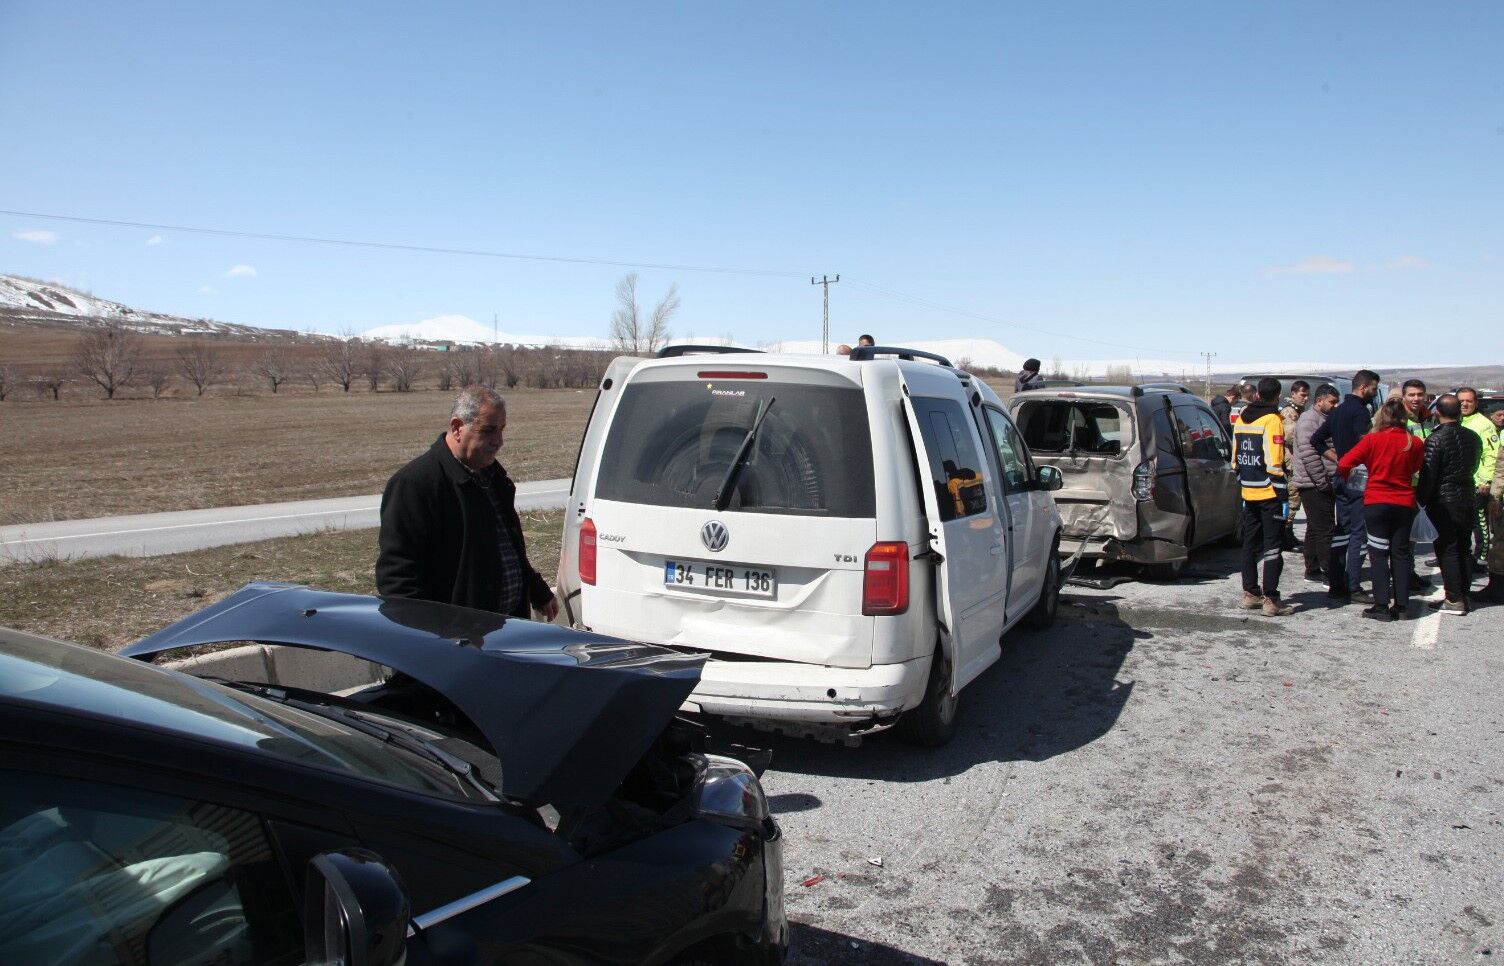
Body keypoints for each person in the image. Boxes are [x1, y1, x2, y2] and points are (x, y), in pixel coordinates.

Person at [377, 386, 560, 620]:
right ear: (457, 428)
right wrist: (431, 638)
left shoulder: (493, 478)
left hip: (506, 630)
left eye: (502, 429)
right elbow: (398, 581)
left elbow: (507, 546)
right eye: (488, 430)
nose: (499, 441)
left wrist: (536, 588)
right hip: (457, 642)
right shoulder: (415, 484)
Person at [1337, 399, 1426, 621]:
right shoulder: (1413, 442)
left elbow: (1344, 463)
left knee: (1378, 554)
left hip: (1377, 501)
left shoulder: (1372, 440)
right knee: (1401, 553)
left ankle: (1382, 604)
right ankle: (1402, 605)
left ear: (1381, 417)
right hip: (1404, 502)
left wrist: (1356, 481)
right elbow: (1417, 467)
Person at [1311, 369, 1382, 604]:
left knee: (1342, 529)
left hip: (1341, 475)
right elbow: (1366, 445)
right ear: (1363, 388)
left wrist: (1338, 459)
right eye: (1373, 388)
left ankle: (1336, 582)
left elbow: (1317, 439)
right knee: (1358, 532)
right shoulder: (1360, 412)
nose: (1374, 393)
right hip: (1358, 476)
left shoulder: (1339, 411)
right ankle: (1352, 585)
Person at [1234, 377, 1294, 616]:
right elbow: (1273, 459)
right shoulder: (1272, 420)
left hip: (1249, 488)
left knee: (1250, 543)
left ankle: (1250, 593)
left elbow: (1236, 455)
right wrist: (1282, 494)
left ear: (1258, 394)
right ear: (1277, 396)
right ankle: (1271, 598)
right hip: (1269, 490)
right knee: (1273, 546)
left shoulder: (1242, 417)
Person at [1417, 394, 1482, 615]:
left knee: (1448, 550)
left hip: (1445, 501)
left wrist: (1420, 501)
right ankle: (1463, 594)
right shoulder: (1473, 437)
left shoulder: (1436, 439)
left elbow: (1429, 475)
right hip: (1467, 496)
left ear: (1438, 413)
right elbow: (1474, 464)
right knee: (1464, 548)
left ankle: (1454, 599)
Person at [1293, 383, 1340, 582]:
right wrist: (1322, 481)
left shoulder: (1323, 418)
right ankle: (1329, 573)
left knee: (1314, 527)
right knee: (1325, 530)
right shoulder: (1309, 420)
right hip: (1313, 482)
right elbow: (1309, 454)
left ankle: (1312, 569)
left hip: (1319, 480)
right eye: (1332, 402)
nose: (1335, 405)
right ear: (1319, 400)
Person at [1457, 388, 1499, 564]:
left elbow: (1492, 454)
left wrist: (1486, 479)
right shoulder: (1455, 420)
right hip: (1458, 482)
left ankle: (1481, 556)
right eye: (1461, 401)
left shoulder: (1484, 424)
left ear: (1475, 403)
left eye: (1469, 401)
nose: (1465, 404)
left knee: (1478, 521)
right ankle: (1457, 554)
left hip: (1477, 483)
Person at [1279, 380, 1310, 549]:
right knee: (1292, 499)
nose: (1305, 398)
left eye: (1306, 395)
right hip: (1290, 462)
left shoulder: (1298, 412)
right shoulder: (1289, 412)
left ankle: (1287, 533)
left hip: (1296, 461)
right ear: (1293, 394)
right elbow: (1291, 436)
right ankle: (1284, 534)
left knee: (1294, 499)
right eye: (1302, 394)